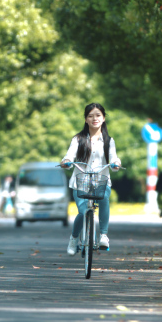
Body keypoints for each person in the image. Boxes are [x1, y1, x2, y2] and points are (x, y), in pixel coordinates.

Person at [61, 103, 121, 256]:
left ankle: (104, 235)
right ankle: (74, 238)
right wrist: (66, 161)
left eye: (98, 115)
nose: (95, 119)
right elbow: (70, 155)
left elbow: (114, 158)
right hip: (81, 182)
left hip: (101, 181)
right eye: (90, 116)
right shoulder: (78, 139)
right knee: (82, 212)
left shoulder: (109, 141)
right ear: (86, 119)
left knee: (104, 198)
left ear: (104, 118)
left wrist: (116, 163)